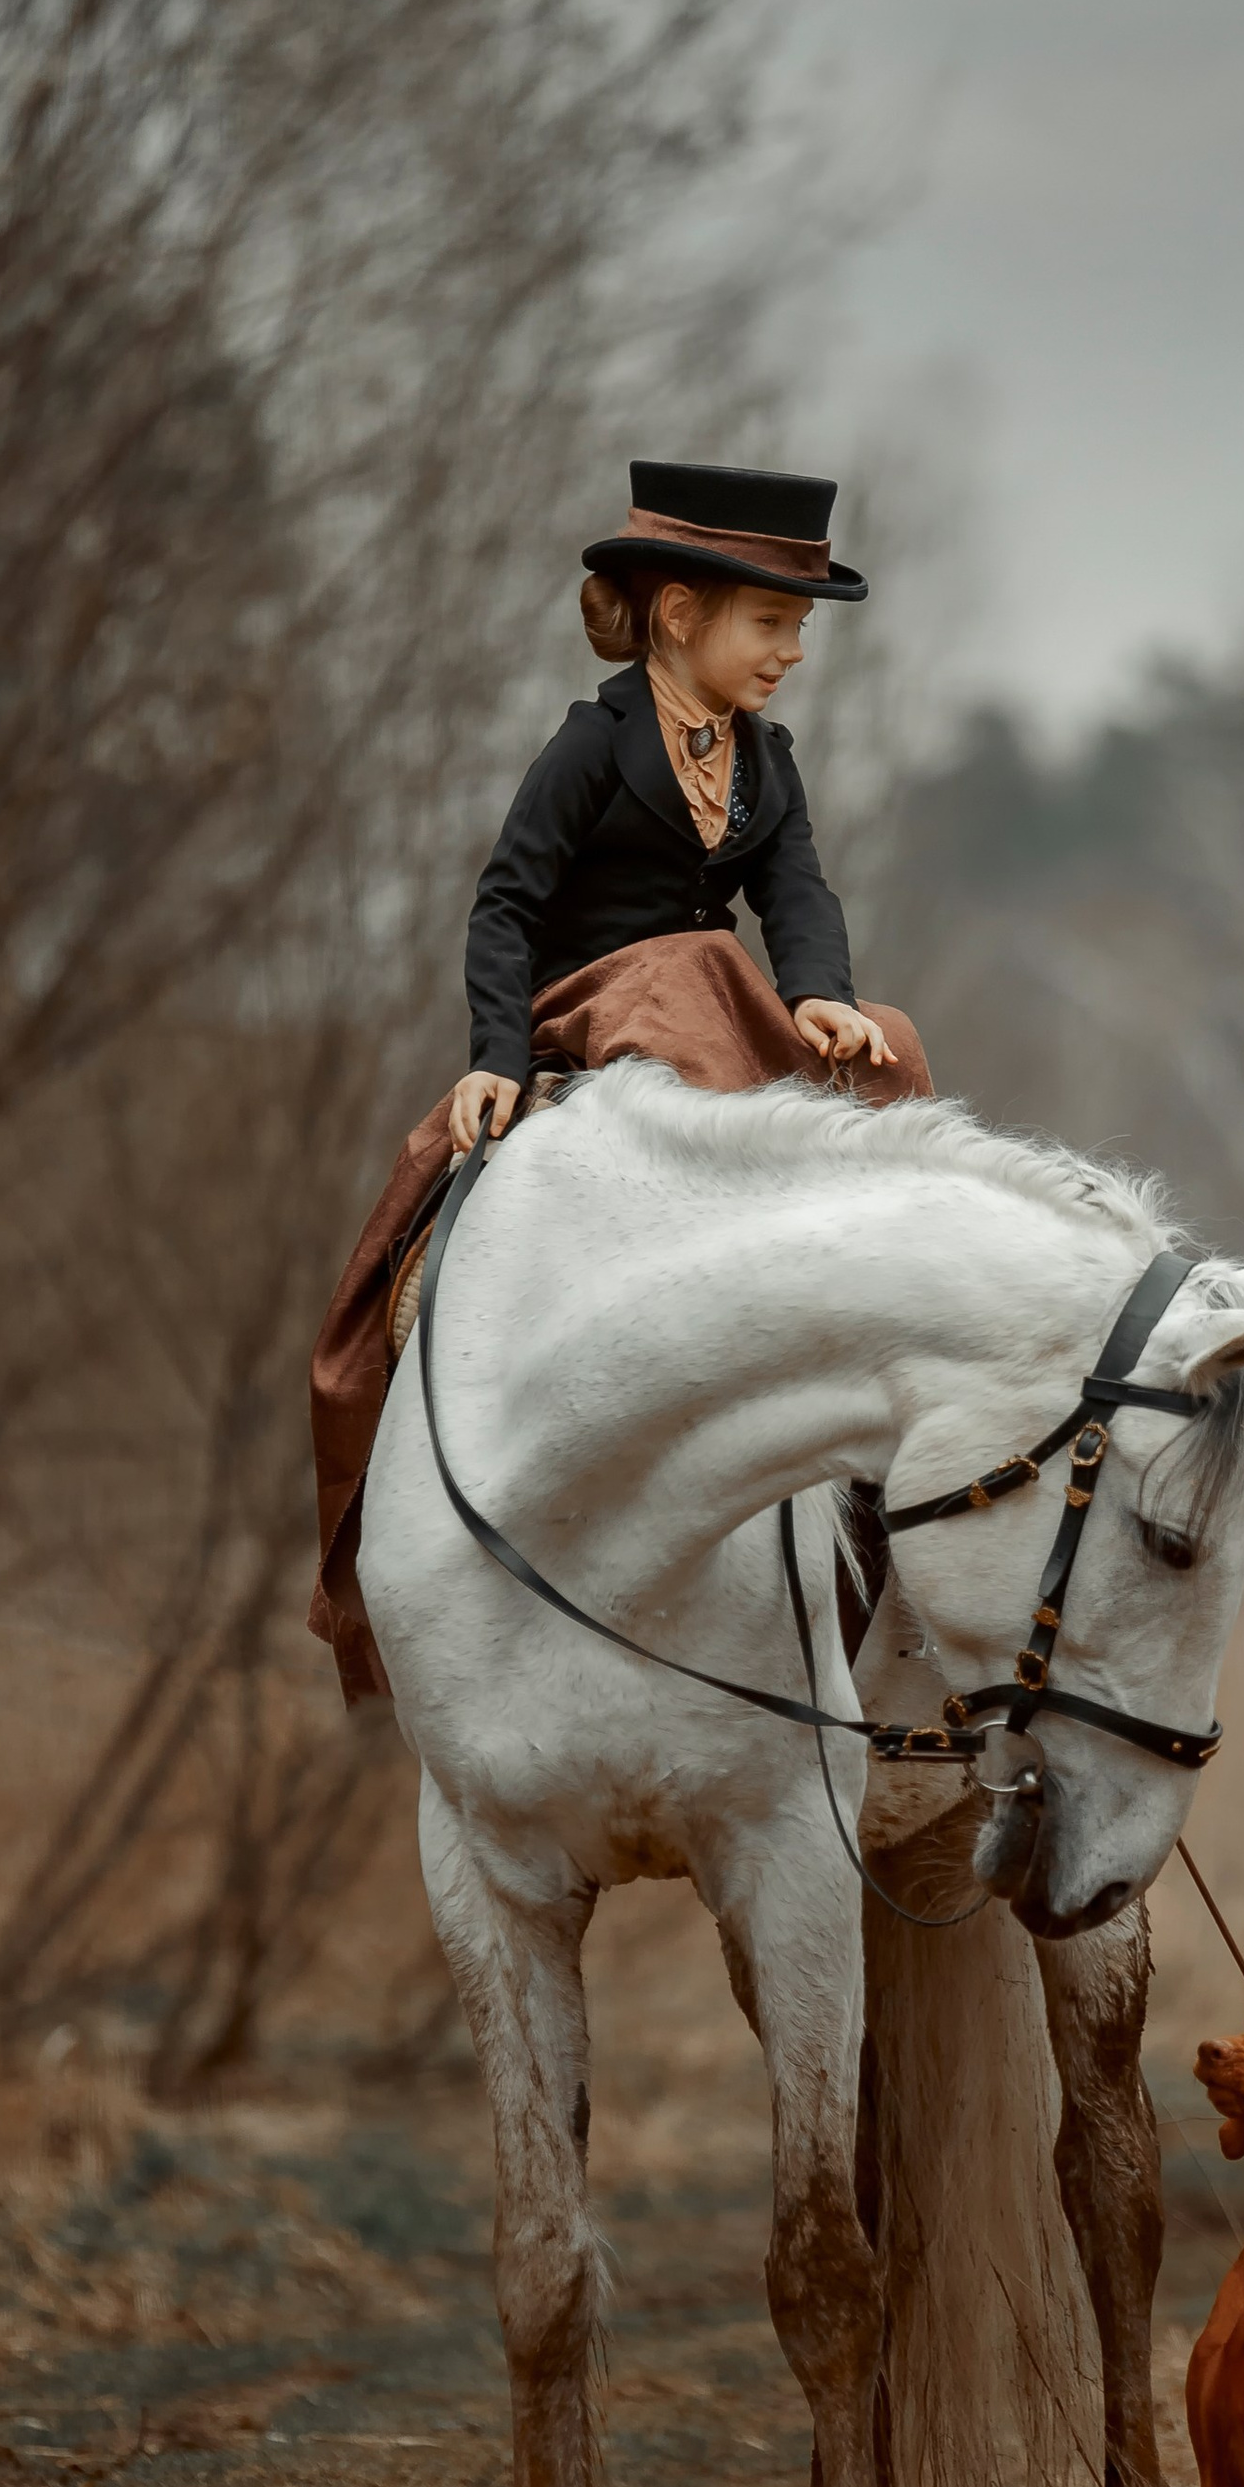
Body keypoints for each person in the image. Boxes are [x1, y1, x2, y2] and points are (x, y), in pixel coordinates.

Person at [308, 458, 932, 1703]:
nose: (791, 652)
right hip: (589, 1003)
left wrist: (818, 988)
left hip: (704, 1000)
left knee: (892, 1042)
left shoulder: (768, 756)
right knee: (696, 967)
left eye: (800, 628)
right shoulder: (591, 745)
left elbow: (795, 888)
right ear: (682, 617)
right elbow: (505, 903)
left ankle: (885, 1285)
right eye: (771, 624)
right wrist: (493, 1054)